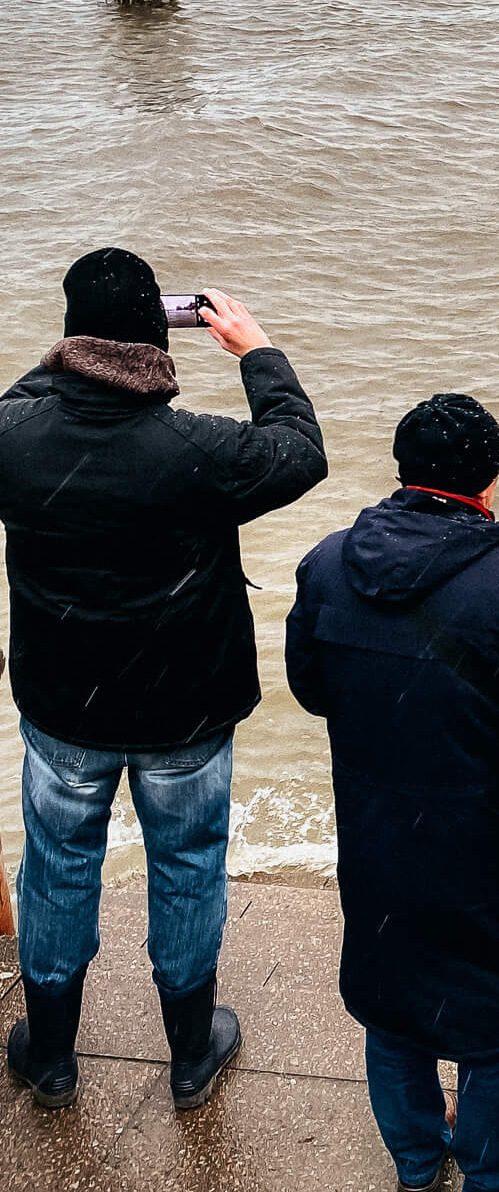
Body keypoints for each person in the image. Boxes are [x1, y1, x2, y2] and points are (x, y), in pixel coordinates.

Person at [0, 248, 326, 1112]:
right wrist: (255, 348)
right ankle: (189, 1054)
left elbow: (25, 399)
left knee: (57, 866)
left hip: (64, 705)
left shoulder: (16, 439)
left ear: (69, 337)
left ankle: (52, 1054)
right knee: (186, 866)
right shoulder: (197, 450)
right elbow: (300, 451)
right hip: (184, 707)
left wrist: (67, 366)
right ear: (160, 330)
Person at [286, 394, 499, 1192]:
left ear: (403, 469)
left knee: (394, 996)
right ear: (490, 479)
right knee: (498, 1012)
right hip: (489, 836)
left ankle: (417, 1161)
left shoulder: (326, 565)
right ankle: (498, 1181)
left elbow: (310, 687)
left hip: (377, 828)